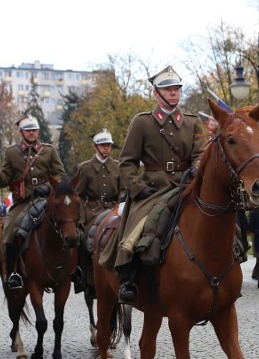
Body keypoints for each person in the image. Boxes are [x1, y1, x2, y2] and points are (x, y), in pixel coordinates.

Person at [97, 65, 205, 304]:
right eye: (168, 89)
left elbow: (201, 155)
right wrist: (138, 188)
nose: (173, 93)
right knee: (139, 226)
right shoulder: (142, 122)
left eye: (176, 89)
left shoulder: (193, 122)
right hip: (153, 190)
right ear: (156, 94)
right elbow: (127, 163)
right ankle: (128, 277)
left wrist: (195, 170)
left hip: (186, 186)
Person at [0, 115, 67, 289]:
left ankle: (74, 269)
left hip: (47, 199)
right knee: (9, 230)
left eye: (34, 130)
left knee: (71, 224)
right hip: (23, 202)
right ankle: (13, 272)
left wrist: (48, 187)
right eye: (28, 130)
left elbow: (61, 174)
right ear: (21, 132)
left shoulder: (49, 150)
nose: (32, 133)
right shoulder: (11, 152)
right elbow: (4, 178)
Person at [74, 129, 123, 223]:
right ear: (95, 146)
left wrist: (120, 204)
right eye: (103, 145)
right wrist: (81, 219)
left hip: (115, 210)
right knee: (90, 234)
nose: (106, 148)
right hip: (92, 213)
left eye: (108, 145)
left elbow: (123, 190)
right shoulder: (85, 168)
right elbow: (80, 196)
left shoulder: (118, 167)